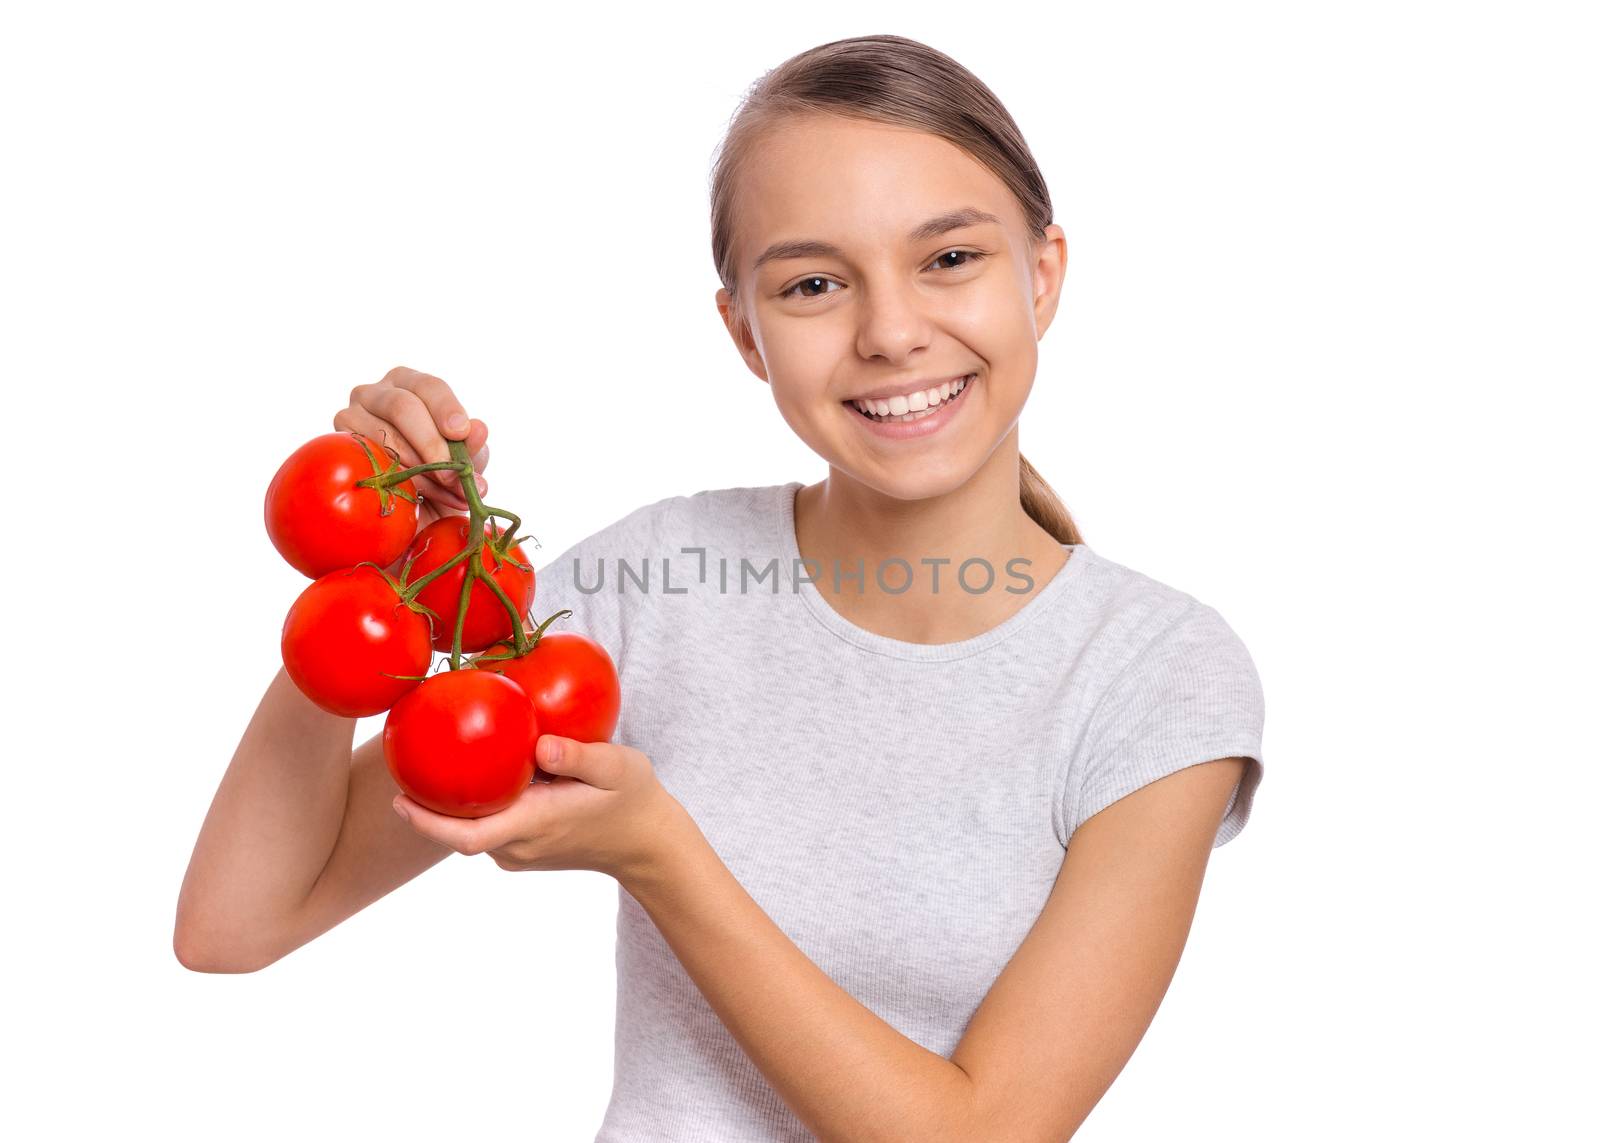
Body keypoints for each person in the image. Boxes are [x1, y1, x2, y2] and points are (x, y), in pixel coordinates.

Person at [175, 34, 1266, 1142]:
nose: (890, 332)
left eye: (948, 260)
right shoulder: (658, 584)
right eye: (812, 284)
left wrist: (663, 858)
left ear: (1041, 274)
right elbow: (235, 923)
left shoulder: (1154, 674)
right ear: (743, 331)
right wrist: (383, 571)